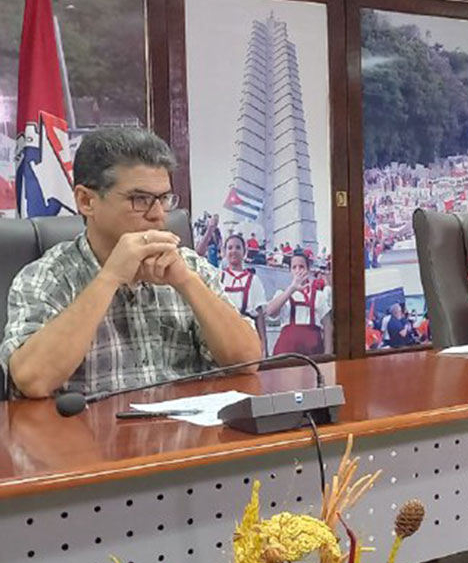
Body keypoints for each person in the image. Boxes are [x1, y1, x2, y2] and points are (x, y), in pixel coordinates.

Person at [0, 128, 262, 398]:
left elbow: (247, 362)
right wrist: (109, 277)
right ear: (86, 201)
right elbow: (32, 380)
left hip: (188, 436)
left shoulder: (191, 268)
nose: (158, 215)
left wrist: (186, 282)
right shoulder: (48, 277)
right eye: (140, 200)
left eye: (163, 199)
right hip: (89, 437)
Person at [266, 251, 332, 355]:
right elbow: (270, 311)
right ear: (290, 271)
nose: (298, 270)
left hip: (313, 352)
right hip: (287, 352)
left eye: (301, 267)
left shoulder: (319, 296)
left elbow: (327, 326)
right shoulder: (283, 294)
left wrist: (328, 354)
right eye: (294, 267)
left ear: (308, 269)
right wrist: (291, 289)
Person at [220, 234, 266, 318]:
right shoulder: (219, 278)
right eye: (230, 248)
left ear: (244, 252)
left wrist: (261, 331)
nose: (234, 251)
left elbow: (259, 312)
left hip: (246, 328)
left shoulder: (254, 280)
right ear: (225, 252)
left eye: (238, 247)